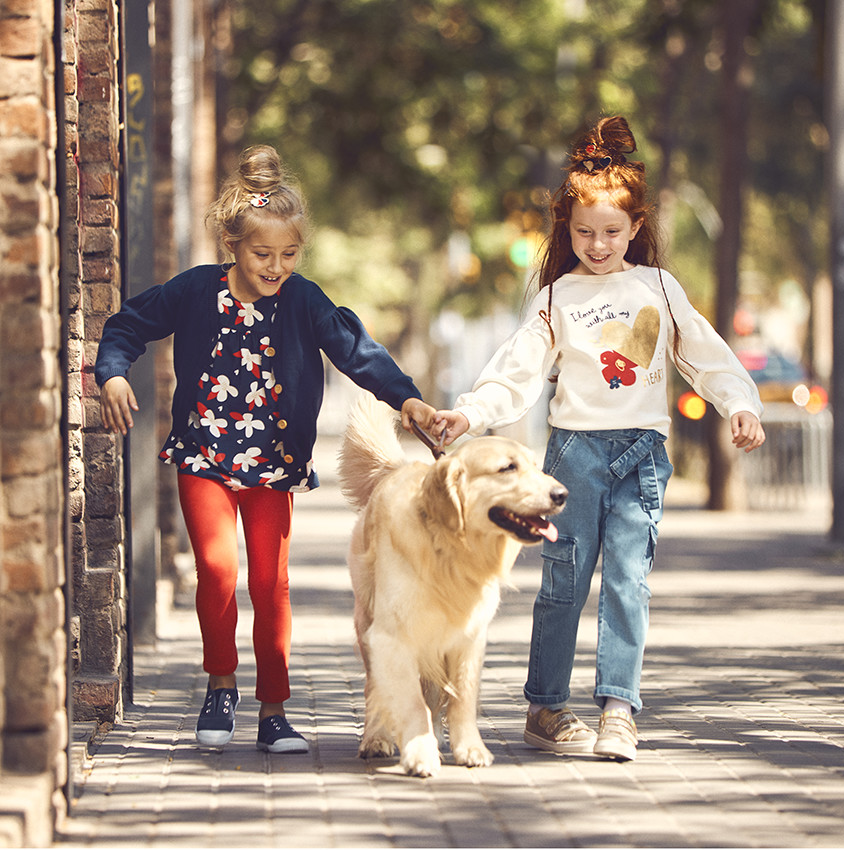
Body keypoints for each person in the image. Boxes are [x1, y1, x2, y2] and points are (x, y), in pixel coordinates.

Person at [432, 116, 765, 762]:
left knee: (628, 582)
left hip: (642, 455)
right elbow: (517, 371)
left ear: (637, 227)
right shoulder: (558, 298)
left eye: (613, 231)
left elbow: (707, 355)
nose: (599, 243)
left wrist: (741, 404)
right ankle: (546, 707)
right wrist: (469, 416)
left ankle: (619, 708)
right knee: (563, 581)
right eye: (584, 232)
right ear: (568, 230)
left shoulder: (659, 289)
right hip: (574, 455)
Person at [96, 145, 436, 754]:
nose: (276, 265)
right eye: (262, 254)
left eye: (288, 254)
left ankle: (274, 710)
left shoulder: (304, 300)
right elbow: (127, 323)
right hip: (202, 455)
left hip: (273, 464)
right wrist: (113, 372)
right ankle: (220, 684)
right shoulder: (197, 291)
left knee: (271, 583)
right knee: (219, 570)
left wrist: (407, 400)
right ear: (233, 245)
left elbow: (357, 351)